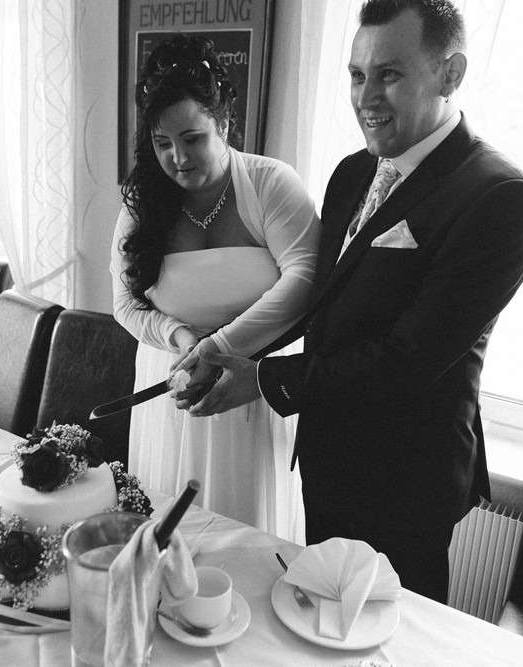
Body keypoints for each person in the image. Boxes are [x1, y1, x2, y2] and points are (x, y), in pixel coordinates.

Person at [175, 0, 523, 603]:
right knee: (313, 621)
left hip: (405, 482)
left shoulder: (500, 197)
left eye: (389, 74)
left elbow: (408, 358)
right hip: (327, 461)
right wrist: (227, 350)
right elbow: (326, 308)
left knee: (389, 637)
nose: (366, 97)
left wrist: (263, 380)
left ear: (450, 74)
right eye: (356, 75)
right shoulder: (352, 172)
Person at [111, 34, 321, 542]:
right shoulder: (143, 203)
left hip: (249, 387)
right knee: (168, 537)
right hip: (173, 387)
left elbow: (305, 279)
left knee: (246, 541)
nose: (178, 158)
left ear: (223, 124)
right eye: (162, 143)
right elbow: (124, 304)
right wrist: (182, 339)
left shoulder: (271, 184)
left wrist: (218, 347)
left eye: (192, 138)